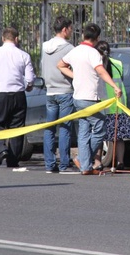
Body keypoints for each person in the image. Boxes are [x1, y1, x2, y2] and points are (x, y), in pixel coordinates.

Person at [57, 23, 122, 175]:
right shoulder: (93, 53)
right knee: (100, 128)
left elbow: (60, 65)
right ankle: (83, 159)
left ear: (83, 36)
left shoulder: (75, 51)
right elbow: (100, 71)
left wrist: (75, 76)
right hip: (91, 97)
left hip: (78, 96)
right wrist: (114, 86)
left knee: (84, 130)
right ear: (97, 38)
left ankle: (85, 166)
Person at [0, 27, 36, 168]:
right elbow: (30, 79)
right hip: (18, 95)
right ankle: (13, 160)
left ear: (2, 38)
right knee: (17, 128)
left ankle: (1, 149)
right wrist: (29, 86)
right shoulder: (24, 55)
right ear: (16, 39)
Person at [41, 16, 76, 173]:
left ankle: (49, 164)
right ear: (64, 29)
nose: (72, 31)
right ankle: (63, 164)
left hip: (50, 91)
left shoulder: (44, 46)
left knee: (49, 128)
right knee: (65, 128)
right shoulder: (69, 49)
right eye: (70, 28)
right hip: (65, 91)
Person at [96, 40, 130, 170]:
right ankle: (120, 161)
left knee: (100, 135)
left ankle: (98, 162)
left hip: (102, 104)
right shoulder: (118, 63)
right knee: (118, 137)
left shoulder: (97, 66)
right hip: (118, 104)